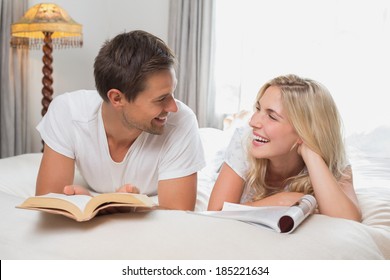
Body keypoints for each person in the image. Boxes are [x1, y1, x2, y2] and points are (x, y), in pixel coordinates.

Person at [35, 30, 205, 211]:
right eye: (161, 99)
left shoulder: (181, 121)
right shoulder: (68, 111)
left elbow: (177, 216)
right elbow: (48, 201)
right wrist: (92, 205)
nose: (173, 107)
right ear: (117, 99)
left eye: (172, 93)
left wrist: (126, 209)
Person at [208, 74, 361, 221]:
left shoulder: (333, 159)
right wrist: (278, 201)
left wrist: (311, 153)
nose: (253, 121)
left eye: (272, 116)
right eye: (258, 109)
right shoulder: (244, 141)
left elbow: (347, 219)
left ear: (304, 130)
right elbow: (214, 214)